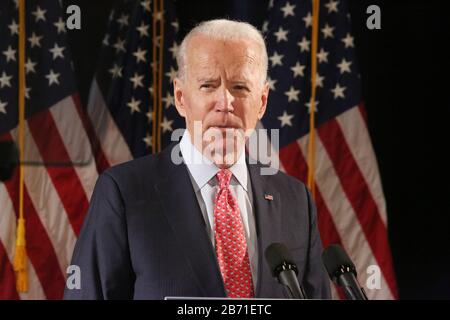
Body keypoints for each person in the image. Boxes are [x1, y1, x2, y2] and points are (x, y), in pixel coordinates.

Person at [64, 19, 331, 300]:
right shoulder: (124, 192)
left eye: (240, 87)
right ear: (180, 97)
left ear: (262, 101)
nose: (225, 102)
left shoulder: (295, 200)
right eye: (208, 85)